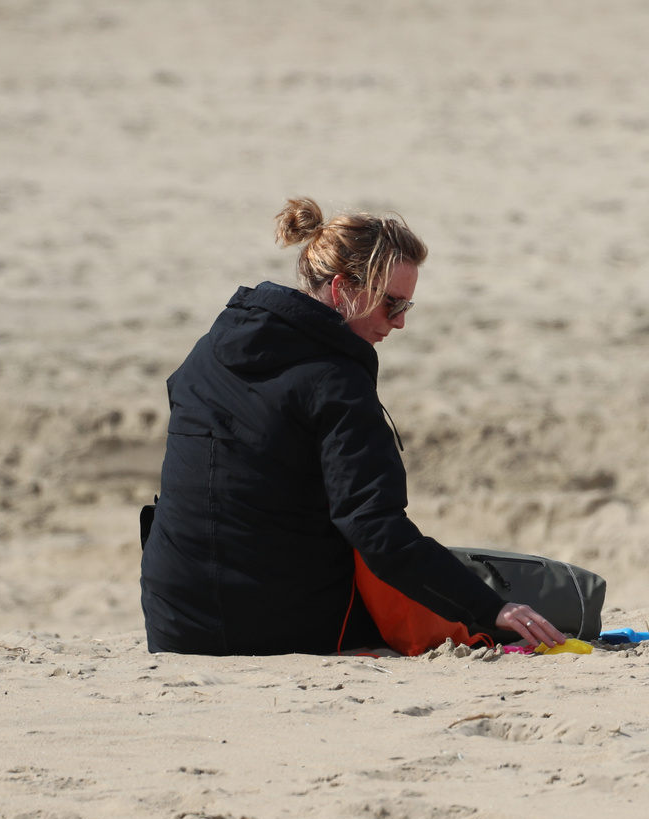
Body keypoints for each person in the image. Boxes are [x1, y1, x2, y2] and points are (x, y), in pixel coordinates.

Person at [140, 197, 566, 655]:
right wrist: (489, 608)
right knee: (419, 598)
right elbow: (375, 529)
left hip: (174, 623)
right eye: (392, 303)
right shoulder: (335, 381)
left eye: (408, 305)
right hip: (274, 631)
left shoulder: (207, 349)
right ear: (342, 288)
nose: (400, 322)